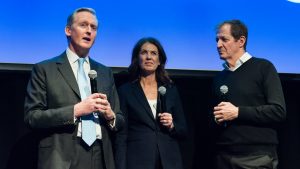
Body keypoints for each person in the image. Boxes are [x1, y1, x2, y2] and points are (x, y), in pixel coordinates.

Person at [24, 7, 124, 169]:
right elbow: (32, 117)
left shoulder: (105, 72)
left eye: (94, 27)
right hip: (61, 156)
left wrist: (110, 115)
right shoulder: (45, 69)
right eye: (83, 25)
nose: (89, 31)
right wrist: (76, 110)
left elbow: (120, 119)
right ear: (68, 30)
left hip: (100, 154)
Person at [211, 19, 286, 169]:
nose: (218, 45)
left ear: (241, 41)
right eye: (217, 40)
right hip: (224, 156)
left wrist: (238, 112)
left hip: (256, 157)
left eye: (224, 39)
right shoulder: (220, 77)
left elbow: (278, 111)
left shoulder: (263, 68)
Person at [114, 37, 187, 169]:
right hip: (137, 161)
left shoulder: (170, 90)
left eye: (154, 53)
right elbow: (121, 135)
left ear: (159, 61)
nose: (149, 57)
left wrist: (172, 125)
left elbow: (183, 129)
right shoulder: (125, 91)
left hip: (169, 161)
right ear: (137, 58)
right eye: (144, 53)